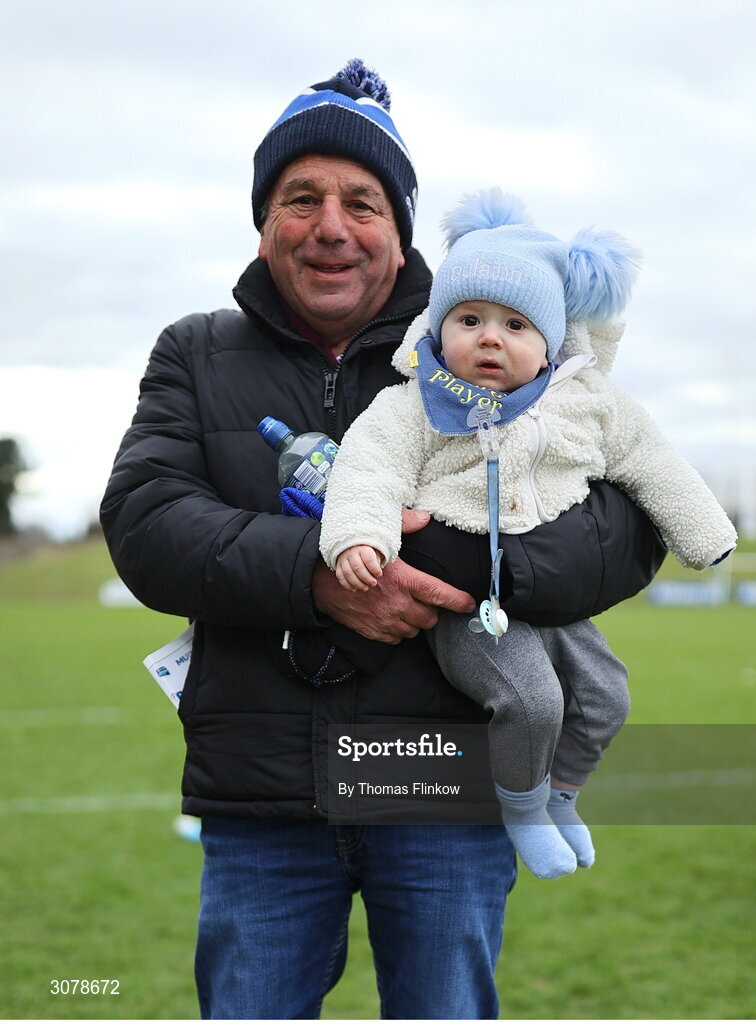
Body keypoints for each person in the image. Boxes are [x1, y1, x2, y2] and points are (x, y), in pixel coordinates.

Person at [101, 61, 666, 1020]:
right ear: (263, 219)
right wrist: (321, 579)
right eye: (300, 198)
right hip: (261, 797)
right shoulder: (193, 352)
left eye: (362, 201)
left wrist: (477, 568)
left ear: (400, 225)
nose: (330, 225)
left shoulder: (492, 336)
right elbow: (148, 524)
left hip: (445, 783)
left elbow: (628, 522)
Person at [320, 188, 737, 881]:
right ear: (437, 326)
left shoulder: (588, 402)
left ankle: (563, 793)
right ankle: (523, 807)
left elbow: (651, 459)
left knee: (607, 697)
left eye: (516, 324)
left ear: (548, 342)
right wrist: (360, 538)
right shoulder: (413, 403)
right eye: (470, 318)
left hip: (555, 592)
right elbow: (368, 468)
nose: (490, 336)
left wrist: (705, 534)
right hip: (471, 603)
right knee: (530, 700)